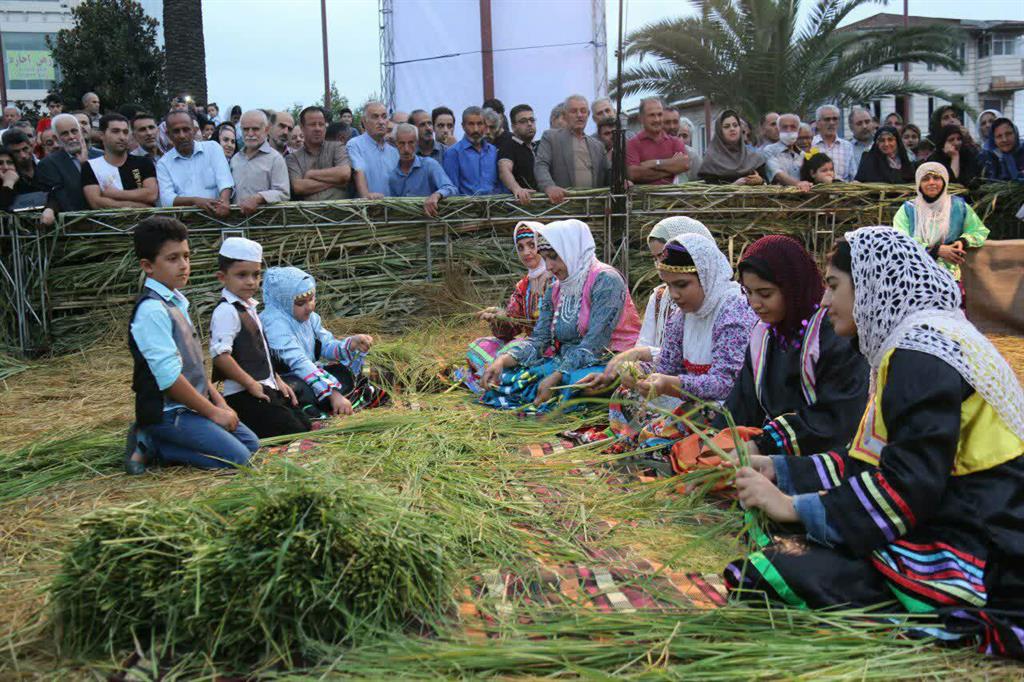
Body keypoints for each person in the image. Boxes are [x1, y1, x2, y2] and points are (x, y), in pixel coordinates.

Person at [724, 226, 1024, 660]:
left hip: (987, 543)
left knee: (774, 570)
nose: (824, 301)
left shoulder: (920, 355)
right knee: (787, 546)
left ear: (870, 283)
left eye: (832, 286)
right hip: (968, 512)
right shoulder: (916, 343)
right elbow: (875, 459)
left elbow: (908, 486)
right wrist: (781, 470)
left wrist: (794, 506)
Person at [676, 234, 868, 465]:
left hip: (820, 458)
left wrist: (763, 445)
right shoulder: (764, 335)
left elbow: (835, 419)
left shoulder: (834, 335)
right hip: (768, 451)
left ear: (793, 288)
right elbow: (742, 404)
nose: (755, 303)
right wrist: (714, 446)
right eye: (748, 292)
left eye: (765, 294)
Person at [599, 232, 757, 467]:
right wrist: (638, 374)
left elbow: (726, 384)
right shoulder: (681, 315)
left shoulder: (733, 311)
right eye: (668, 285)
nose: (674, 294)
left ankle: (658, 446)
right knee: (624, 395)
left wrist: (672, 385)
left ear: (705, 276)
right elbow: (666, 366)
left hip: (722, 407)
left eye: (682, 285)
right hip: (686, 399)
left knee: (679, 424)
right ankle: (647, 441)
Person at [125, 216, 259, 475]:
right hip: (168, 411)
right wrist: (212, 413)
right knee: (238, 460)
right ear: (148, 266)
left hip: (192, 405)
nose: (184, 265)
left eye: (186, 256)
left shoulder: (177, 301)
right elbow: (169, 379)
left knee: (251, 445)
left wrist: (221, 404)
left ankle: (168, 440)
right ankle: (153, 443)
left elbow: (193, 366)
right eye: (173, 259)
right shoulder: (152, 310)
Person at [480, 219, 640, 411]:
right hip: (566, 361)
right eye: (545, 258)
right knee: (509, 376)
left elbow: (595, 344)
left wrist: (557, 375)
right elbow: (539, 340)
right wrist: (502, 360)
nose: (548, 266)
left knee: (578, 386)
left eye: (554, 257)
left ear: (572, 250)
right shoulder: (557, 288)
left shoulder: (605, 280)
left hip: (608, 359)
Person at [209, 237, 310, 438]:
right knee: (292, 432)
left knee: (304, 424)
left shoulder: (250, 307)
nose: (251, 282)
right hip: (243, 393)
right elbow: (221, 357)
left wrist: (277, 380)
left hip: (263, 386)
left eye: (256, 275)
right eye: (242, 275)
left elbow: (260, 350)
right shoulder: (226, 311)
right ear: (222, 277)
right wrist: (250, 384)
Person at [260, 266, 387, 417]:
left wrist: (351, 344)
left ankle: (337, 398)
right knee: (296, 390)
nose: (309, 307)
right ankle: (330, 404)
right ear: (283, 301)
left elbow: (326, 345)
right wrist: (333, 394)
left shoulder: (310, 318)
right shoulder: (274, 323)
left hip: (310, 373)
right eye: (301, 303)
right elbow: (299, 362)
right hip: (288, 379)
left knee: (346, 371)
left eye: (312, 299)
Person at [462, 221, 553, 393]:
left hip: (549, 349)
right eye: (520, 247)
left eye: (532, 245)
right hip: (526, 347)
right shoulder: (523, 286)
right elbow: (509, 330)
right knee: (477, 347)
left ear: (542, 245)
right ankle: (504, 379)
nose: (526, 252)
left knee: (512, 349)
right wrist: (499, 318)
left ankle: (498, 379)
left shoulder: (557, 279)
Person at [893, 162, 989, 288]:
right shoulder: (908, 209)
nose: (931, 182)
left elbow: (978, 230)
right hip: (915, 275)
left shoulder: (958, 206)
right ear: (919, 184)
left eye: (937, 178)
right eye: (925, 179)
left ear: (944, 181)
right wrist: (935, 250)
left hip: (951, 276)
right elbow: (900, 241)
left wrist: (963, 241)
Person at [534, 95, 610, 203]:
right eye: (574, 111)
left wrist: (623, 182)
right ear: (565, 116)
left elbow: (608, 174)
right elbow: (541, 165)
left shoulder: (598, 145)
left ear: (588, 115)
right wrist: (549, 187)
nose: (579, 115)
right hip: (563, 207)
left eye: (583, 111)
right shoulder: (551, 137)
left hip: (592, 208)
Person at [156, 110, 233, 214]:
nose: (182, 135)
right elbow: (167, 200)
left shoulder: (213, 148)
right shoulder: (163, 163)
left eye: (186, 129)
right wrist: (195, 201)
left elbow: (225, 181)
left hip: (217, 217)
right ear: (168, 135)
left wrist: (224, 202)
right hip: (183, 224)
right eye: (176, 131)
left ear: (194, 130)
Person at [81, 113, 158, 209]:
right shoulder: (90, 166)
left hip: (145, 222)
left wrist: (114, 194)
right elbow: (96, 203)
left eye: (125, 132)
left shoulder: (143, 162)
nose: (122, 137)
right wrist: (139, 206)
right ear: (102, 135)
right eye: (115, 131)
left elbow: (151, 195)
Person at [36, 113, 103, 214]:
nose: (71, 137)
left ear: (80, 131)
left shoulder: (100, 156)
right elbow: (64, 199)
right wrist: (85, 168)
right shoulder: (49, 164)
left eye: (74, 131)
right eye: (65, 134)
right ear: (56, 138)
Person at [231, 110, 290, 216]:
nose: (250, 134)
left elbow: (283, 193)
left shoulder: (275, 159)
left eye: (255, 129)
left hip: (263, 224)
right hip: (236, 222)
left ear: (266, 130)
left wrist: (258, 198)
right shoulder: (235, 159)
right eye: (246, 129)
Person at [388, 123, 456, 215]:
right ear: (396, 143)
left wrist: (436, 195)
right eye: (401, 143)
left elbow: (450, 188)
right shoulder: (392, 174)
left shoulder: (429, 165)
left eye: (411, 142)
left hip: (430, 222)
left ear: (417, 142)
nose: (406, 149)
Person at [286, 106, 352, 200]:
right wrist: (337, 181)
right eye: (312, 124)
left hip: (341, 212)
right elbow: (299, 187)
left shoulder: (337, 147)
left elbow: (344, 173)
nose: (318, 128)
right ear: (302, 128)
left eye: (321, 124)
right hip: (307, 213)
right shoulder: (293, 158)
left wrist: (311, 174)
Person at [626, 97, 689, 185]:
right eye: (652, 115)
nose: (657, 119)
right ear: (641, 118)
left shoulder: (676, 142)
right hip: (645, 197)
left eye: (660, 114)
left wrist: (655, 163)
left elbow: (684, 165)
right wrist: (672, 168)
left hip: (673, 197)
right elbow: (634, 174)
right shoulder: (632, 144)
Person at [442, 106, 501, 195]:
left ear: (485, 125)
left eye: (479, 124)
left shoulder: (493, 151)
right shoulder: (453, 152)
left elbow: (499, 184)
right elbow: (452, 188)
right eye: (471, 124)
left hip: (494, 205)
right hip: (466, 206)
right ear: (463, 126)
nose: (476, 129)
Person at [698, 109, 766, 185]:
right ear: (719, 131)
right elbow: (708, 192)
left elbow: (769, 187)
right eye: (727, 127)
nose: (732, 129)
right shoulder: (711, 159)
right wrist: (733, 186)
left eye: (735, 125)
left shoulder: (754, 157)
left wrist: (761, 181)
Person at [348, 101, 399, 198]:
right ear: (364, 121)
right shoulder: (355, 145)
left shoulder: (394, 152)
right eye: (375, 117)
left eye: (384, 117)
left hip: (393, 210)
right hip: (366, 208)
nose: (381, 122)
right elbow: (358, 171)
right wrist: (366, 197)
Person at [498, 104, 538, 204]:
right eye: (523, 121)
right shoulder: (508, 145)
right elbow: (504, 170)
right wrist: (517, 189)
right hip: (523, 206)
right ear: (513, 127)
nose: (529, 124)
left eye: (532, 120)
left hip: (543, 204)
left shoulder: (538, 146)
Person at [763, 113, 809, 190]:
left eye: (793, 127)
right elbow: (777, 174)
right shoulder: (769, 150)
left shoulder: (803, 155)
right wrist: (798, 184)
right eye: (785, 127)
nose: (788, 130)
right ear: (778, 130)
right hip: (778, 199)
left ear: (799, 130)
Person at [812, 105, 856, 181]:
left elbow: (853, 175)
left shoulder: (847, 146)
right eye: (827, 119)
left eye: (835, 119)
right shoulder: (811, 145)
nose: (831, 122)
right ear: (818, 123)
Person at [980, 117, 1024, 182]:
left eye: (1008, 134)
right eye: (999, 136)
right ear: (993, 139)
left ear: (1015, 133)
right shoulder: (988, 158)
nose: (1004, 139)